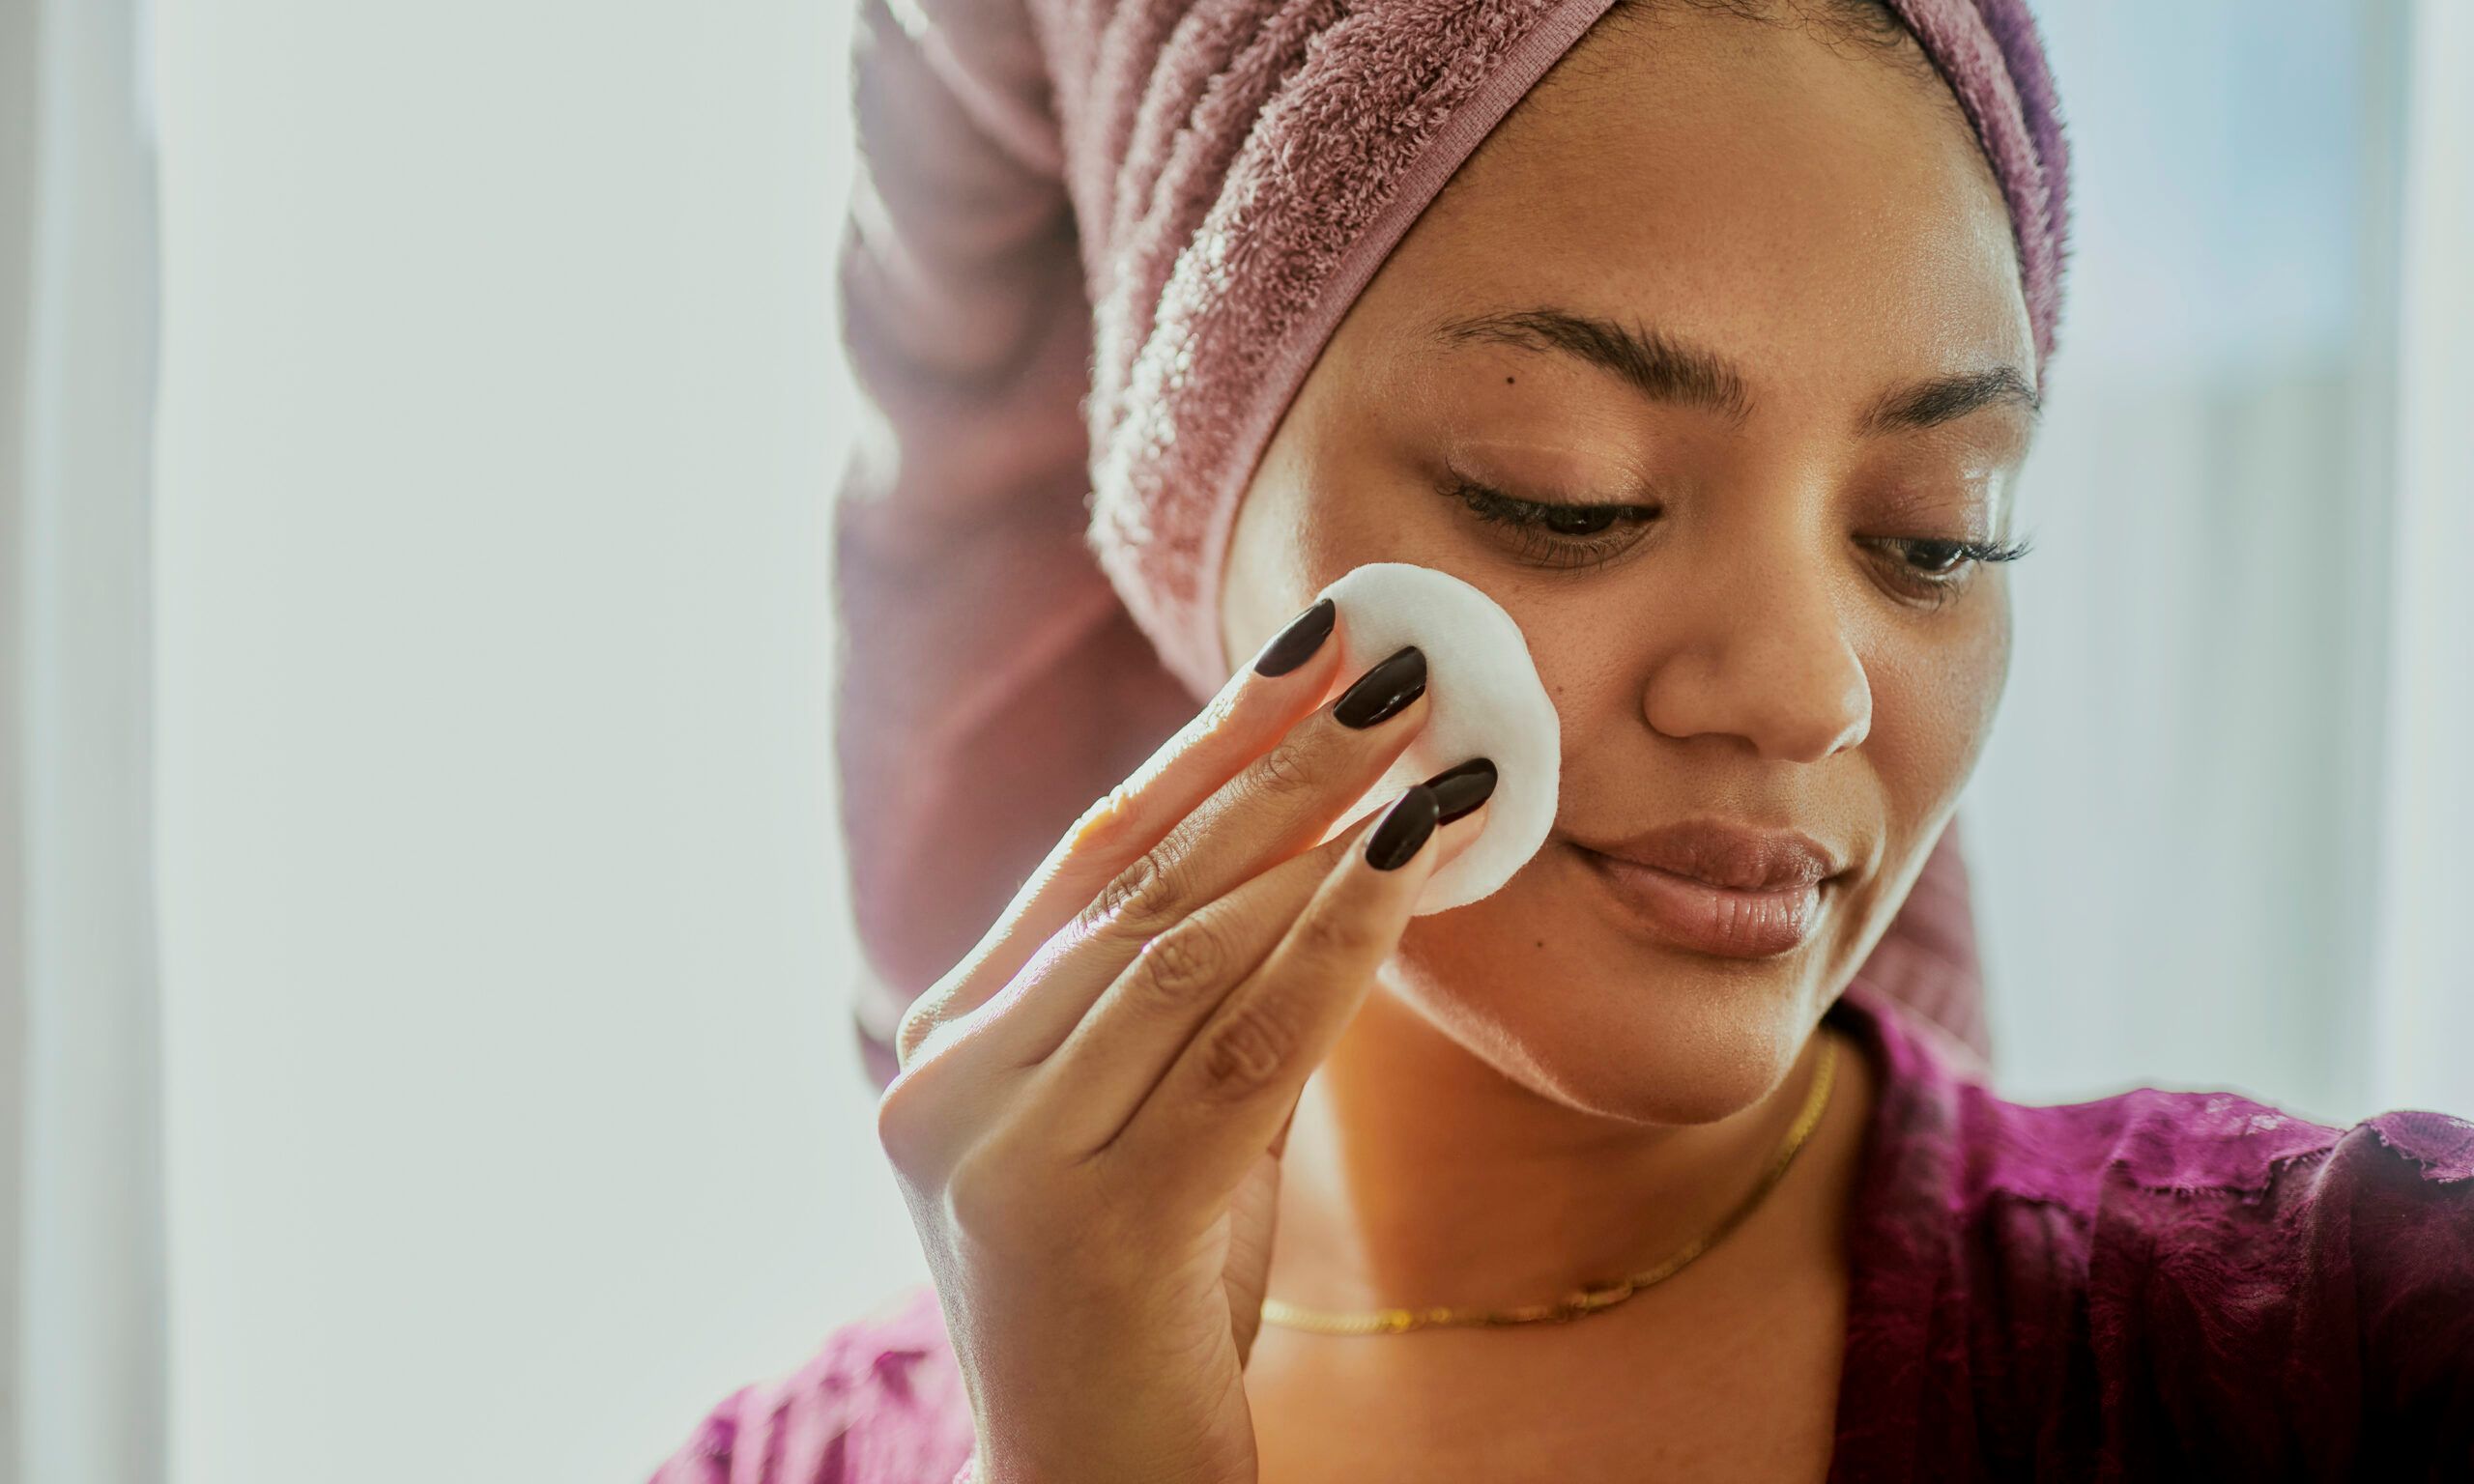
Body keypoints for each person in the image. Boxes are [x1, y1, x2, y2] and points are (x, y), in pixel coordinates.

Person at [650, 1, 2474, 1479]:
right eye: (1569, 495)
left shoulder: (2353, 1340)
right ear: (1187, 505)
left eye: (1936, 534)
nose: (1804, 690)